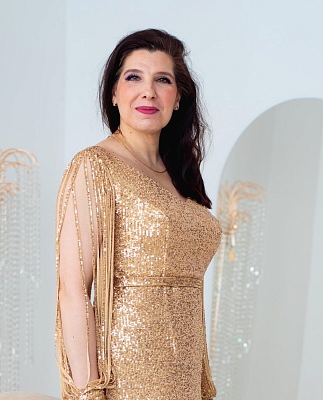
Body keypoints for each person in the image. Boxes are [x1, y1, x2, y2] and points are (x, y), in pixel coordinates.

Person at [55, 28, 220, 400]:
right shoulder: (95, 166)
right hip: (126, 377)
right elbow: (73, 292)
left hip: (185, 377)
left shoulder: (181, 176)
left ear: (178, 98)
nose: (148, 91)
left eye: (162, 80)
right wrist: (89, 394)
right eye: (134, 77)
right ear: (114, 93)